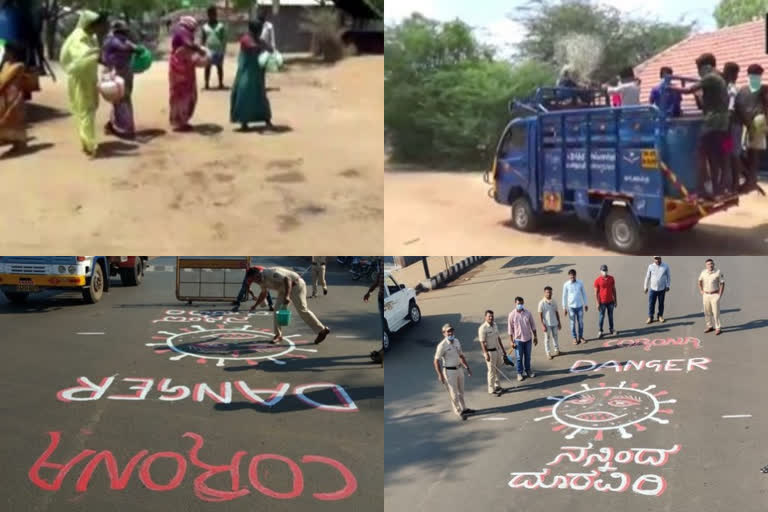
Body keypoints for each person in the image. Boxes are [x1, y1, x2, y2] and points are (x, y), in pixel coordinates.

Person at [671, 53, 730, 198]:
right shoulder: (720, 78)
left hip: (712, 122)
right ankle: (717, 190)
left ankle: (700, 191)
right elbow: (705, 103)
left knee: (700, 154)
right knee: (714, 157)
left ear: (706, 66)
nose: (698, 71)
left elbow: (687, 90)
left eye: (698, 67)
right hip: (723, 123)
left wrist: (671, 87)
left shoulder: (710, 77)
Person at [60, 10, 108, 157]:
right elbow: (81, 56)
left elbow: (93, 56)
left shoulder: (89, 36)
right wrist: (95, 53)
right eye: (98, 25)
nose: (100, 28)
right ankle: (90, 145)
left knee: (87, 111)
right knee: (86, 112)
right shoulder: (79, 37)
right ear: (90, 24)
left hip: (88, 78)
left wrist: (100, 58)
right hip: (80, 80)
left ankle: (86, 142)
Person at [248, 266, 330, 344]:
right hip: (282, 290)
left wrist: (287, 296)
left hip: (296, 286)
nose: (257, 280)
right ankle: (278, 335)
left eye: (257, 277)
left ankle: (321, 330)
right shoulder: (260, 281)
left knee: (302, 309)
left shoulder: (271, 273)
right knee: (277, 311)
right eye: (254, 280)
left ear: (259, 273)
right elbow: (263, 293)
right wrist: (255, 305)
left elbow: (288, 279)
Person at [230, 20, 274, 132]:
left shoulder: (258, 39)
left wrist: (268, 48)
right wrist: (263, 47)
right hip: (246, 72)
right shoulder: (246, 39)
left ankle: (266, 119)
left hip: (257, 72)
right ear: (253, 30)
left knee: (260, 95)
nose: (259, 33)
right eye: (258, 30)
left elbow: (269, 48)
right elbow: (253, 47)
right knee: (244, 94)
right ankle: (244, 122)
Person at [101, 20, 138, 139]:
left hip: (118, 72)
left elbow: (104, 57)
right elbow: (133, 49)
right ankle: (121, 125)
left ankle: (124, 129)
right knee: (123, 99)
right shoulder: (122, 41)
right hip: (124, 72)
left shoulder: (112, 40)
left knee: (120, 100)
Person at [169, 16, 207, 131]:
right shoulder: (182, 32)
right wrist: (200, 50)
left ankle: (180, 120)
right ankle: (181, 121)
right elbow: (188, 44)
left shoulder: (181, 31)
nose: (194, 31)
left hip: (184, 66)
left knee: (182, 93)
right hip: (180, 67)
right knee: (183, 93)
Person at [735, 64, 767, 195]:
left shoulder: (742, 90)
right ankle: (751, 181)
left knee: (748, 153)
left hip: (747, 123)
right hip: (757, 122)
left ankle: (750, 182)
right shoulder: (762, 88)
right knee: (752, 153)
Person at [433, 323, 474, 420]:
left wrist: (467, 367)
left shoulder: (456, 341)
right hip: (449, 372)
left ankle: (464, 408)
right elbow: (436, 361)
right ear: (444, 333)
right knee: (454, 393)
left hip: (459, 369)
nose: (450, 333)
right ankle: (458, 411)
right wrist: (440, 375)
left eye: (451, 331)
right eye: (448, 331)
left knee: (461, 391)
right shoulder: (442, 345)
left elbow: (461, 355)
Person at [0, 42, 27, 153]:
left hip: (13, 97)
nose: (5, 53)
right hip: (4, 96)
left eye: (7, 51)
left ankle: (18, 143)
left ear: (13, 53)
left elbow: (6, 79)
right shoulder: (6, 64)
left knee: (10, 119)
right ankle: (15, 142)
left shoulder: (19, 66)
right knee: (7, 119)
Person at [508, 297, 538, 382]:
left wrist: (535, 337)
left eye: (521, 303)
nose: (520, 305)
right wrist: (511, 341)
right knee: (519, 358)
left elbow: (533, 325)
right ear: (515, 304)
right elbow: (510, 330)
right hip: (518, 340)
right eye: (518, 304)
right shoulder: (512, 315)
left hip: (528, 339)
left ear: (523, 303)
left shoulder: (528, 313)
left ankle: (528, 370)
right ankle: (519, 373)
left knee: (528, 357)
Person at [478, 310, 505, 395]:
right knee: (491, 371)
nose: (491, 318)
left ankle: (498, 386)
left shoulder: (495, 325)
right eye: (489, 316)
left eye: (492, 316)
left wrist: (503, 350)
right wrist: (485, 353)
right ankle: (491, 388)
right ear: (485, 317)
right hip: (490, 352)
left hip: (497, 350)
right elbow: (482, 342)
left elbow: (498, 338)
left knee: (498, 369)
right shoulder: (483, 328)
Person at [363, 257, 385, 364]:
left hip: (387, 299)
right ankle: (383, 350)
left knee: (385, 326)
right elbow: (378, 279)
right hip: (381, 299)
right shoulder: (381, 262)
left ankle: (383, 352)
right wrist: (369, 292)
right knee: (383, 325)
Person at [202, 6, 226, 90]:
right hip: (208, 50)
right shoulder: (205, 27)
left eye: (214, 14)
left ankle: (220, 83)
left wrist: (223, 50)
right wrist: (202, 50)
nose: (212, 16)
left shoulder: (220, 26)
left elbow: (224, 39)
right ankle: (206, 84)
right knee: (207, 68)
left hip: (219, 50)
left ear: (216, 15)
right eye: (210, 14)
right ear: (208, 15)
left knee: (219, 67)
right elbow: (203, 39)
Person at [698, 258, 725, 335]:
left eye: (711, 264)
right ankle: (709, 326)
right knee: (707, 312)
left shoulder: (718, 272)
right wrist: (701, 290)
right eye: (708, 264)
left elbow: (722, 283)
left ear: (714, 264)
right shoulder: (703, 272)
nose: (710, 265)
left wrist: (720, 294)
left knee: (716, 312)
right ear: (706, 265)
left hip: (715, 295)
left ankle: (718, 327)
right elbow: (699, 281)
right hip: (706, 295)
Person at [562, 269, 588, 345]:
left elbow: (584, 293)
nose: (572, 277)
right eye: (570, 276)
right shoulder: (566, 284)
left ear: (575, 275)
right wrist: (564, 307)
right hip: (571, 307)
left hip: (579, 306)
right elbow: (564, 296)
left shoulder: (580, 283)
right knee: (572, 323)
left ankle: (581, 337)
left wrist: (586, 304)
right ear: (569, 276)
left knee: (580, 323)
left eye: (573, 276)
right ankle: (574, 337)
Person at [644, 256, 670, 324]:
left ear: (661, 258)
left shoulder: (665, 266)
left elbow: (668, 276)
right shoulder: (650, 266)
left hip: (662, 289)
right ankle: (650, 317)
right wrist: (645, 287)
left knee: (661, 303)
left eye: (658, 258)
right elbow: (647, 277)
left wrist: (668, 285)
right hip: (653, 289)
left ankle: (660, 316)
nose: (657, 260)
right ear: (654, 259)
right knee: (651, 304)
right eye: (656, 259)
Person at [594, 264, 618, 338]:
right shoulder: (597, 280)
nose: (605, 272)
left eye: (606, 270)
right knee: (601, 317)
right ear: (600, 271)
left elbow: (614, 289)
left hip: (610, 301)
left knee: (610, 316)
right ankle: (600, 331)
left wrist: (616, 300)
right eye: (603, 271)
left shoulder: (611, 278)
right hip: (602, 302)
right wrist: (597, 303)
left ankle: (611, 329)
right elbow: (596, 293)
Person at [537, 286, 561, 360]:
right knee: (547, 339)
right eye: (547, 292)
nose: (549, 294)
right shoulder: (542, 303)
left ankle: (557, 350)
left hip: (554, 322)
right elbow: (540, 314)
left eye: (550, 292)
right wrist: (543, 325)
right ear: (544, 293)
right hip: (547, 324)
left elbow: (556, 312)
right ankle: (548, 353)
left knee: (555, 337)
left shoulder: (554, 301)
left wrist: (559, 322)